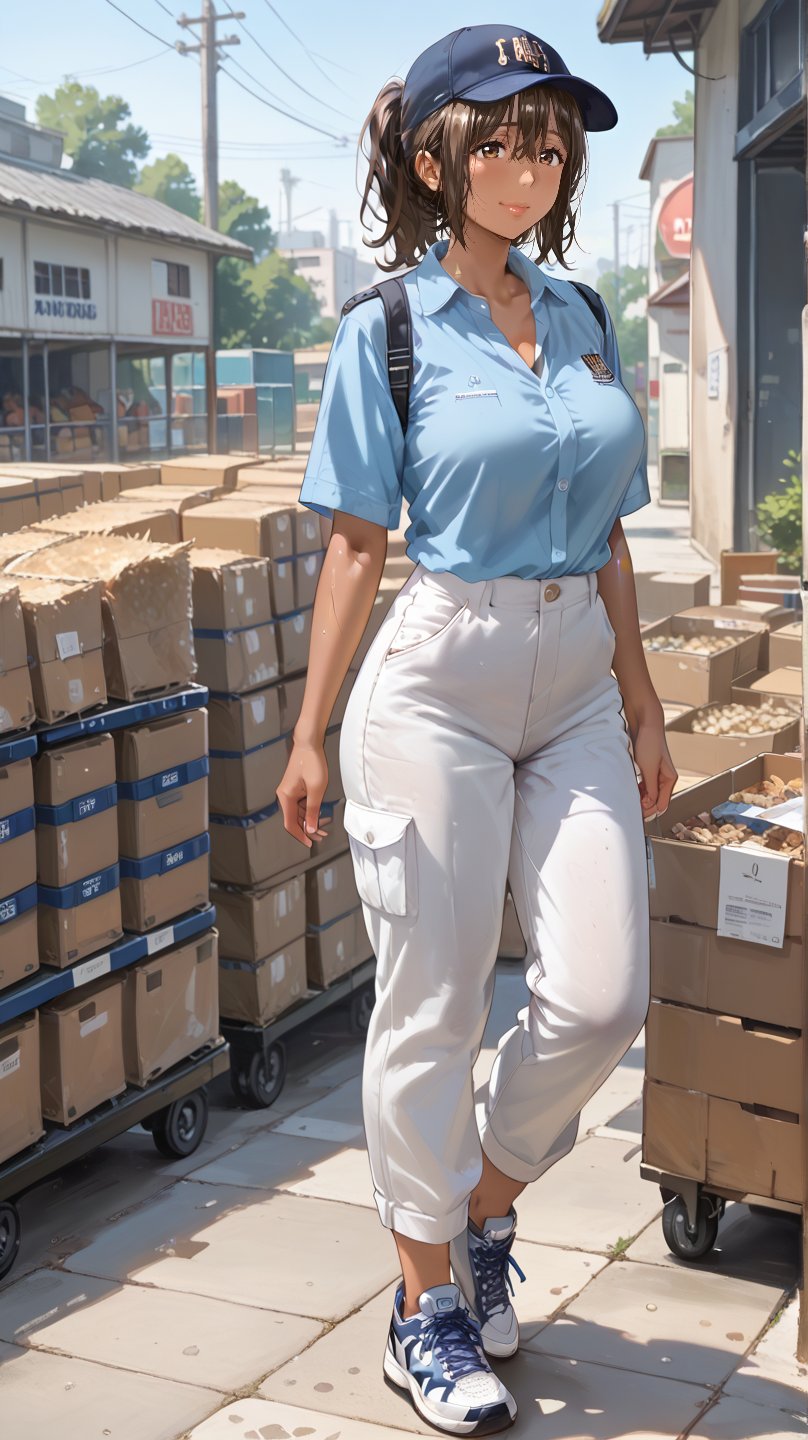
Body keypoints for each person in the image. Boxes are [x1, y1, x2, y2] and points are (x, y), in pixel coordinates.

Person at [276, 22, 677, 1437]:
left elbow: (614, 527)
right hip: (439, 676)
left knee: (600, 996)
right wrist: (312, 730)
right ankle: (423, 1303)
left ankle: (482, 1210)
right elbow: (353, 544)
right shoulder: (384, 329)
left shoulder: (582, 317)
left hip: (572, 672)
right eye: (499, 135)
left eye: (549, 136)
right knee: (434, 1004)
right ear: (436, 154)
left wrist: (637, 692)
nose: (529, 159)